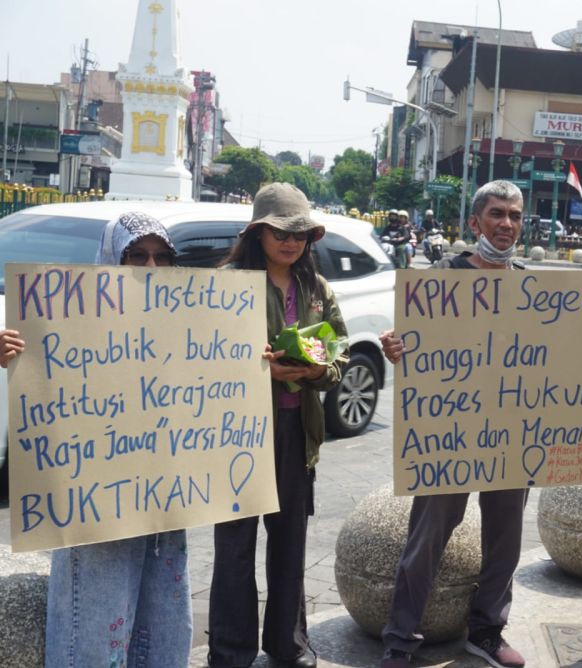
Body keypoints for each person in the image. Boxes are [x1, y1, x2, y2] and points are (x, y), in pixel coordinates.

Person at [0, 211, 193, 667]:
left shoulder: (187, 318)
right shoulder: (68, 316)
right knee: (95, 613)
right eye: (137, 256)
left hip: (162, 498)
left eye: (162, 257)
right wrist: (9, 352)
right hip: (96, 499)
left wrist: (249, 359)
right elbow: (46, 381)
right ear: (111, 257)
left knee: (160, 612)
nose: (150, 268)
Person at [378, 180, 529, 668]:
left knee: (506, 536)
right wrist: (398, 348)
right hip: (450, 433)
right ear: (475, 222)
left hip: (512, 432)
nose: (506, 224)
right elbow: (416, 353)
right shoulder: (441, 277)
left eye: (515, 215)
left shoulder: (533, 286)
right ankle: (400, 638)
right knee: (427, 538)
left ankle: (487, 630)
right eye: (497, 214)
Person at [208, 183, 348, 668]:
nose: (292, 242)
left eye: (301, 233)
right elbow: (202, 363)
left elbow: (339, 353)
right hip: (236, 439)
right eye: (281, 232)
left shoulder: (316, 289)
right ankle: (229, 651)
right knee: (233, 547)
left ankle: (289, 644)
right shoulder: (225, 284)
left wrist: (317, 370)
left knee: (290, 544)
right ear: (257, 232)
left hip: (297, 435)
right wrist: (260, 370)